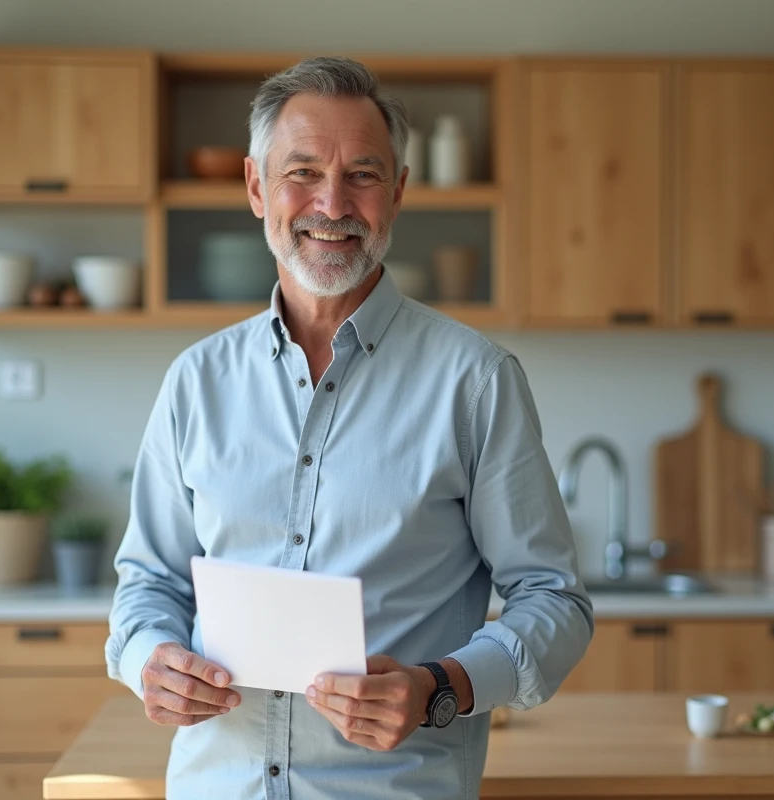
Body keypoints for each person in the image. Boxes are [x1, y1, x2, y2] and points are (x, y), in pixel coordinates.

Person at [104, 55, 594, 799]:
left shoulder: (475, 381)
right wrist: (150, 656)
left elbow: (554, 599)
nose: (332, 202)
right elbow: (148, 581)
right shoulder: (195, 382)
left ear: (396, 193)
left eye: (363, 174)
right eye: (302, 171)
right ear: (256, 186)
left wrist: (445, 685)